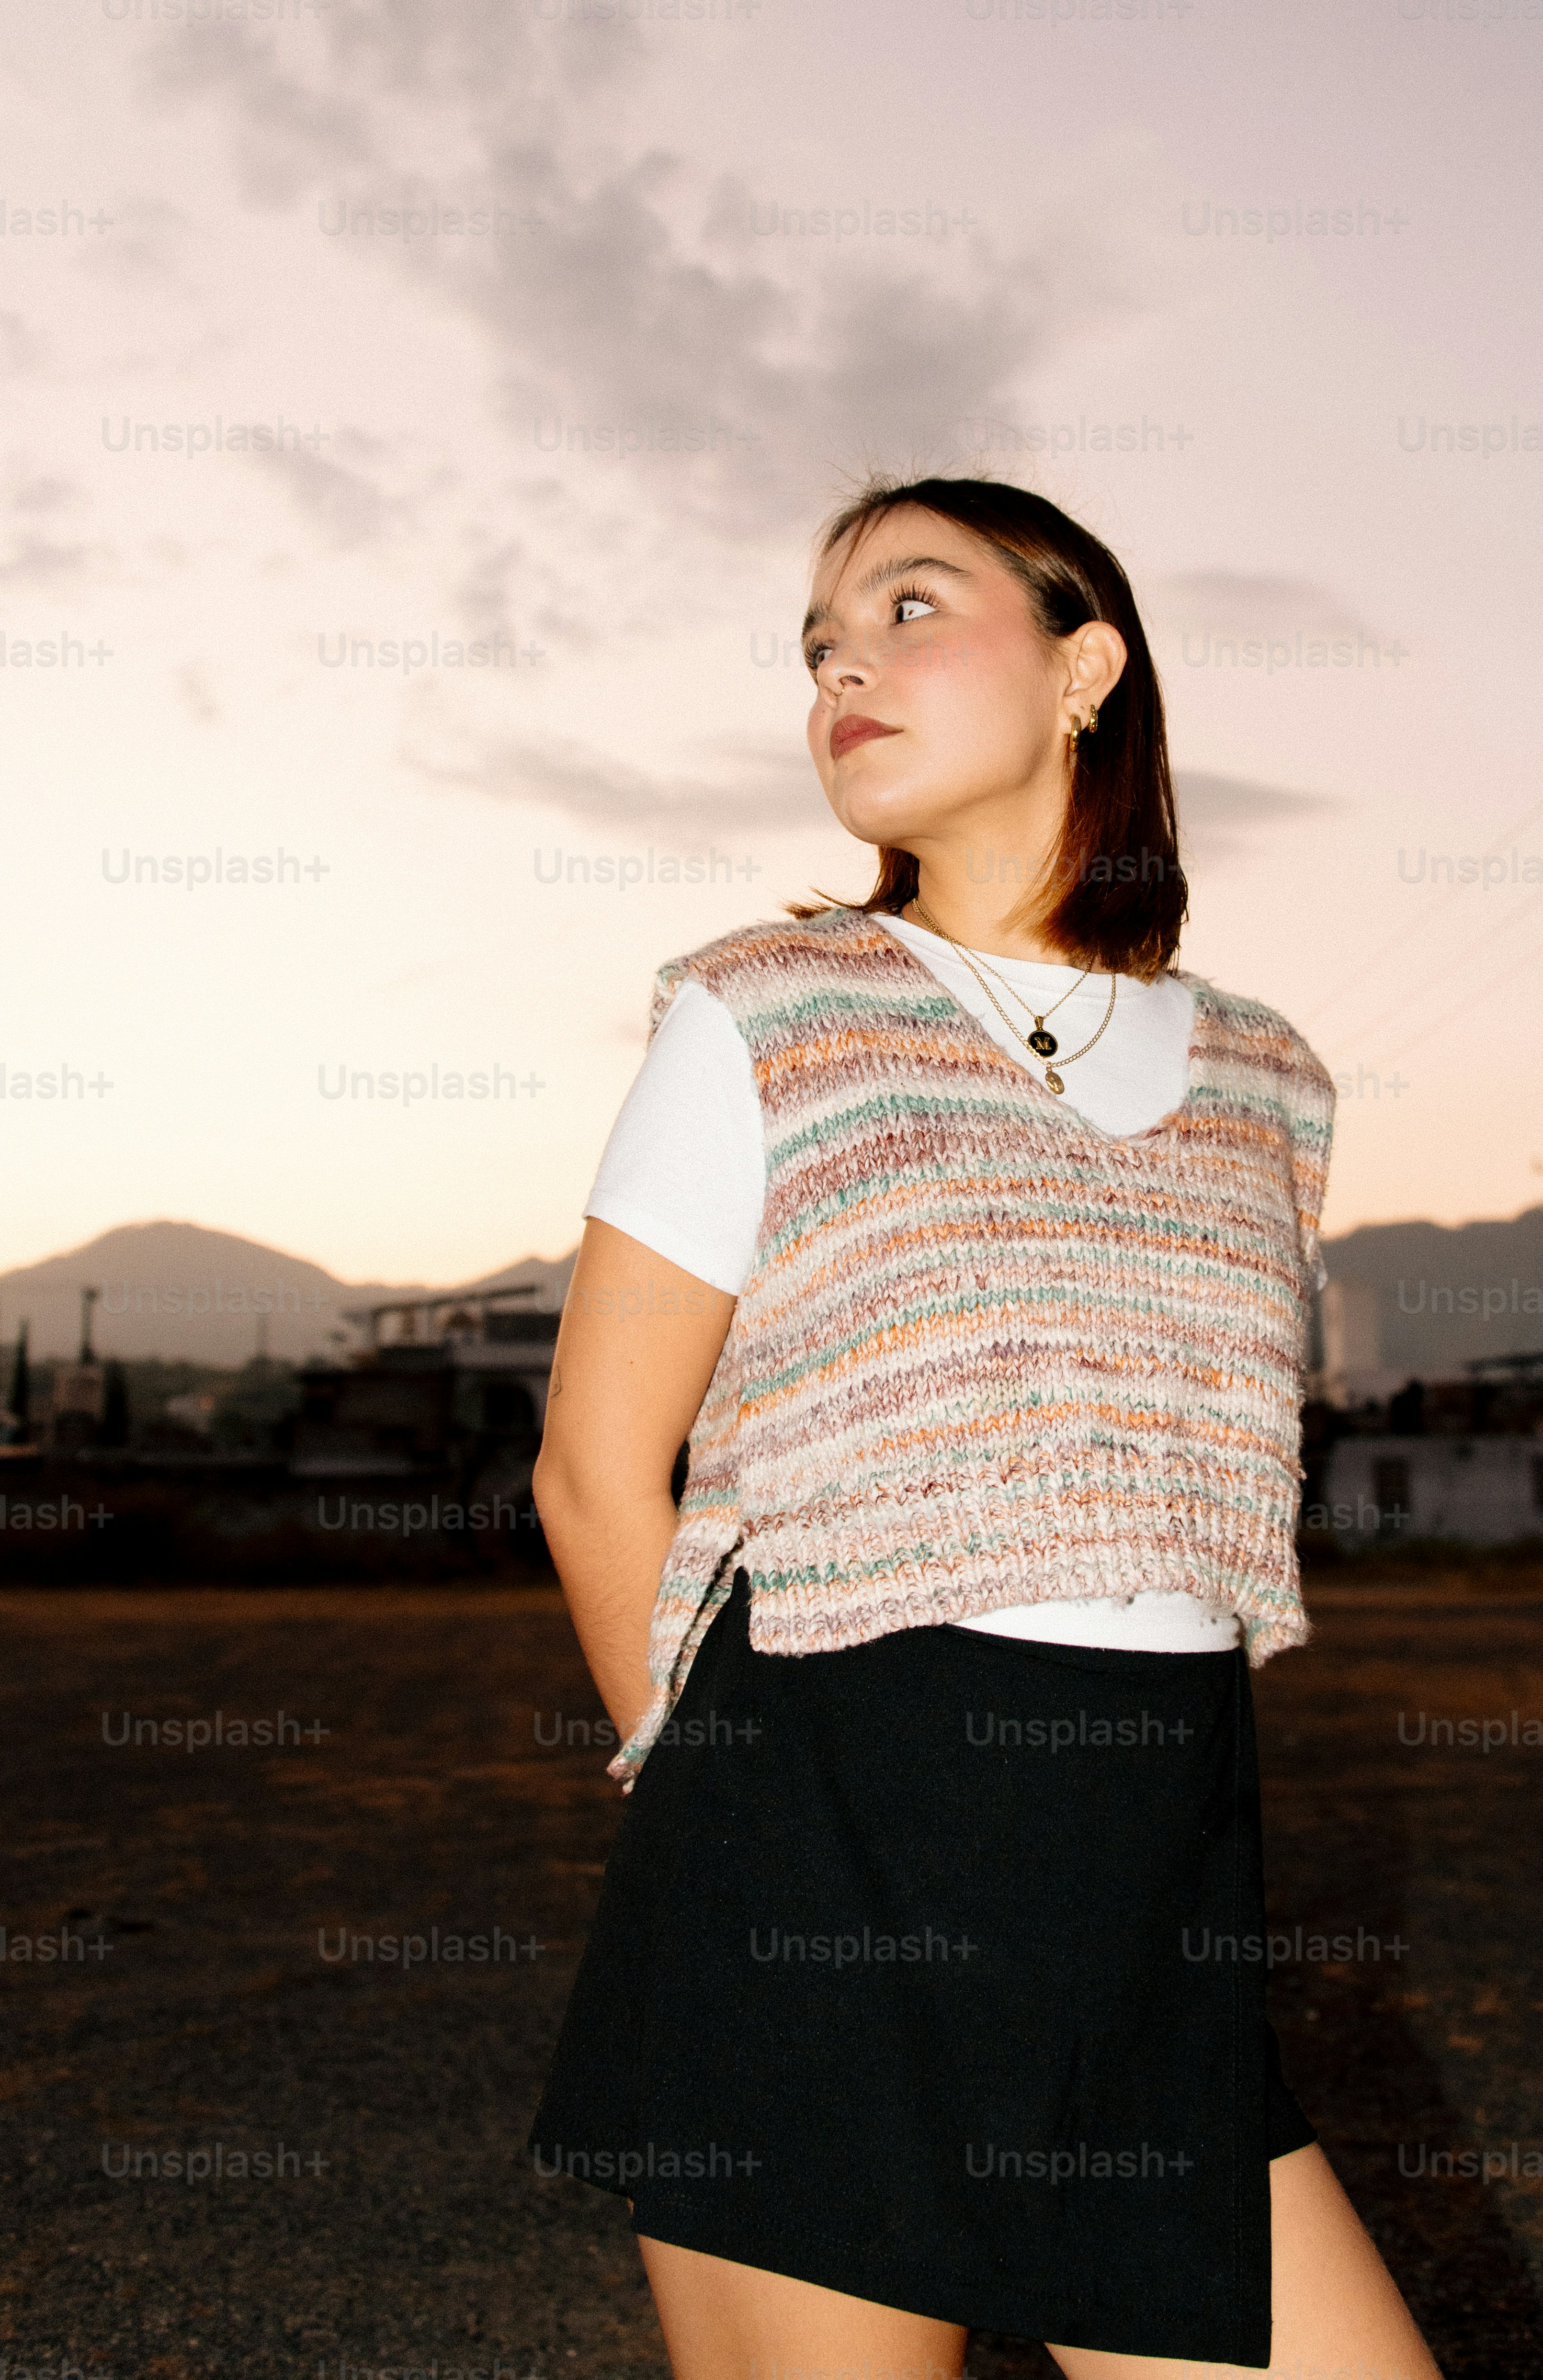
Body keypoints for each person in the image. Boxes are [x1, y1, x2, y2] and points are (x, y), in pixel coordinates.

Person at [528, 474, 1442, 2380]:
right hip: (816, 1868)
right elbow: (597, 1471)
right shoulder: (767, 1011)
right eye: (815, 646)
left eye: (911, 605)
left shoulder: (1271, 1079)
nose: (842, 661)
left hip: (1149, 1894)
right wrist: (727, 1825)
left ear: (1082, 665)